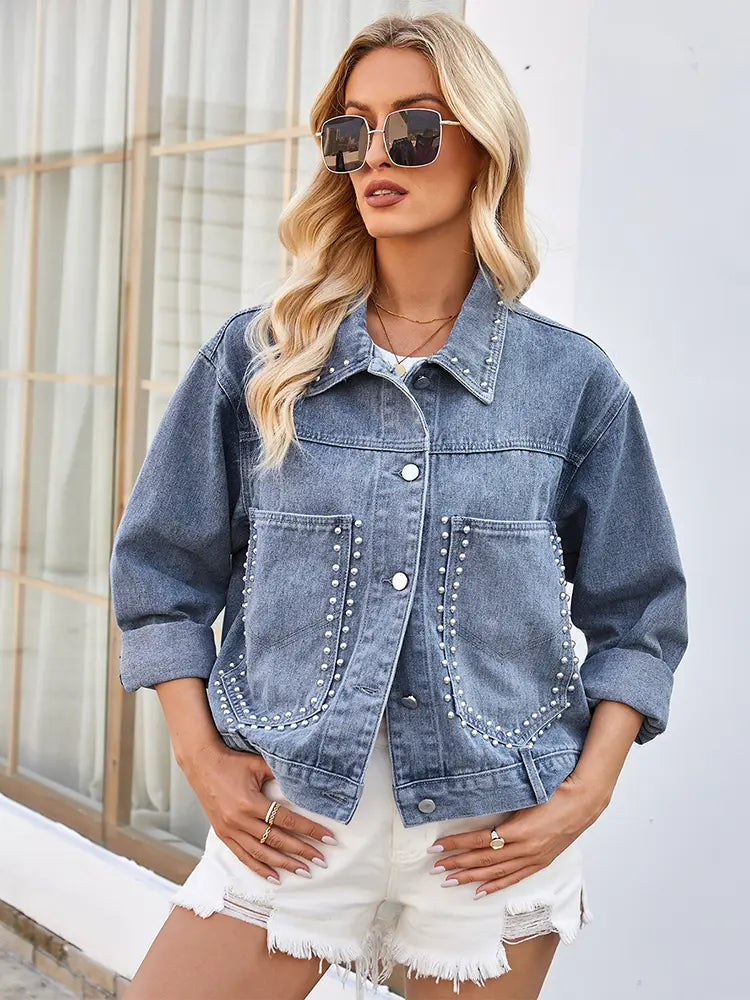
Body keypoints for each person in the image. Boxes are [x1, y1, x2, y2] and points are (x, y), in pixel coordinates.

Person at [111, 11, 688, 1000]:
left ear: (483, 147)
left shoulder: (571, 384)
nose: (376, 154)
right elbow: (162, 573)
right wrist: (198, 755)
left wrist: (585, 796)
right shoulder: (258, 362)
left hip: (491, 838)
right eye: (351, 132)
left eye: (412, 128)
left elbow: (640, 612)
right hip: (292, 819)